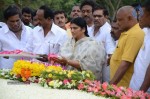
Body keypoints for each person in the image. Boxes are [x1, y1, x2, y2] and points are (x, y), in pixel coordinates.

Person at [110, 6, 144, 87]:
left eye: (120, 20)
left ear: (129, 18)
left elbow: (125, 63)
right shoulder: (128, 32)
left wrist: (110, 86)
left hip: (123, 87)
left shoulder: (134, 34)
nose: (117, 23)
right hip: (119, 85)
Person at [89, 6, 115, 82]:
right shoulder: (89, 30)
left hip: (104, 69)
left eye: (99, 16)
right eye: (94, 16)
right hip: (89, 68)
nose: (96, 18)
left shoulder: (109, 31)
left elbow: (110, 53)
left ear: (106, 17)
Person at [129, 0, 150, 93]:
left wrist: (141, 93)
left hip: (144, 92)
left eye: (141, 15)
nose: (138, 18)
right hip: (134, 87)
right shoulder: (146, 31)